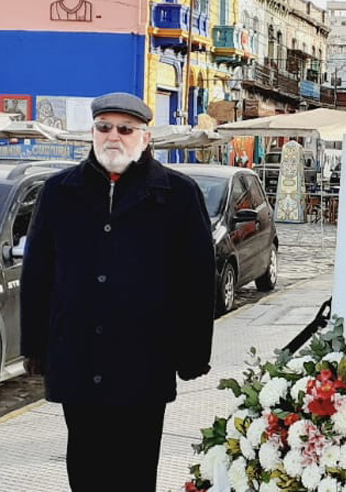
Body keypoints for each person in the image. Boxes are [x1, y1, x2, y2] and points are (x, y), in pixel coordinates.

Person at [19, 92, 216, 491]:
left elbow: (197, 279)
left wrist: (193, 352)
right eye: (104, 127)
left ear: (144, 138)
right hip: (77, 355)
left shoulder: (177, 194)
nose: (114, 137)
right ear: (92, 133)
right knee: (86, 467)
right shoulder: (60, 191)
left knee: (135, 469)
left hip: (143, 361)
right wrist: (35, 346)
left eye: (125, 129)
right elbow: (37, 272)